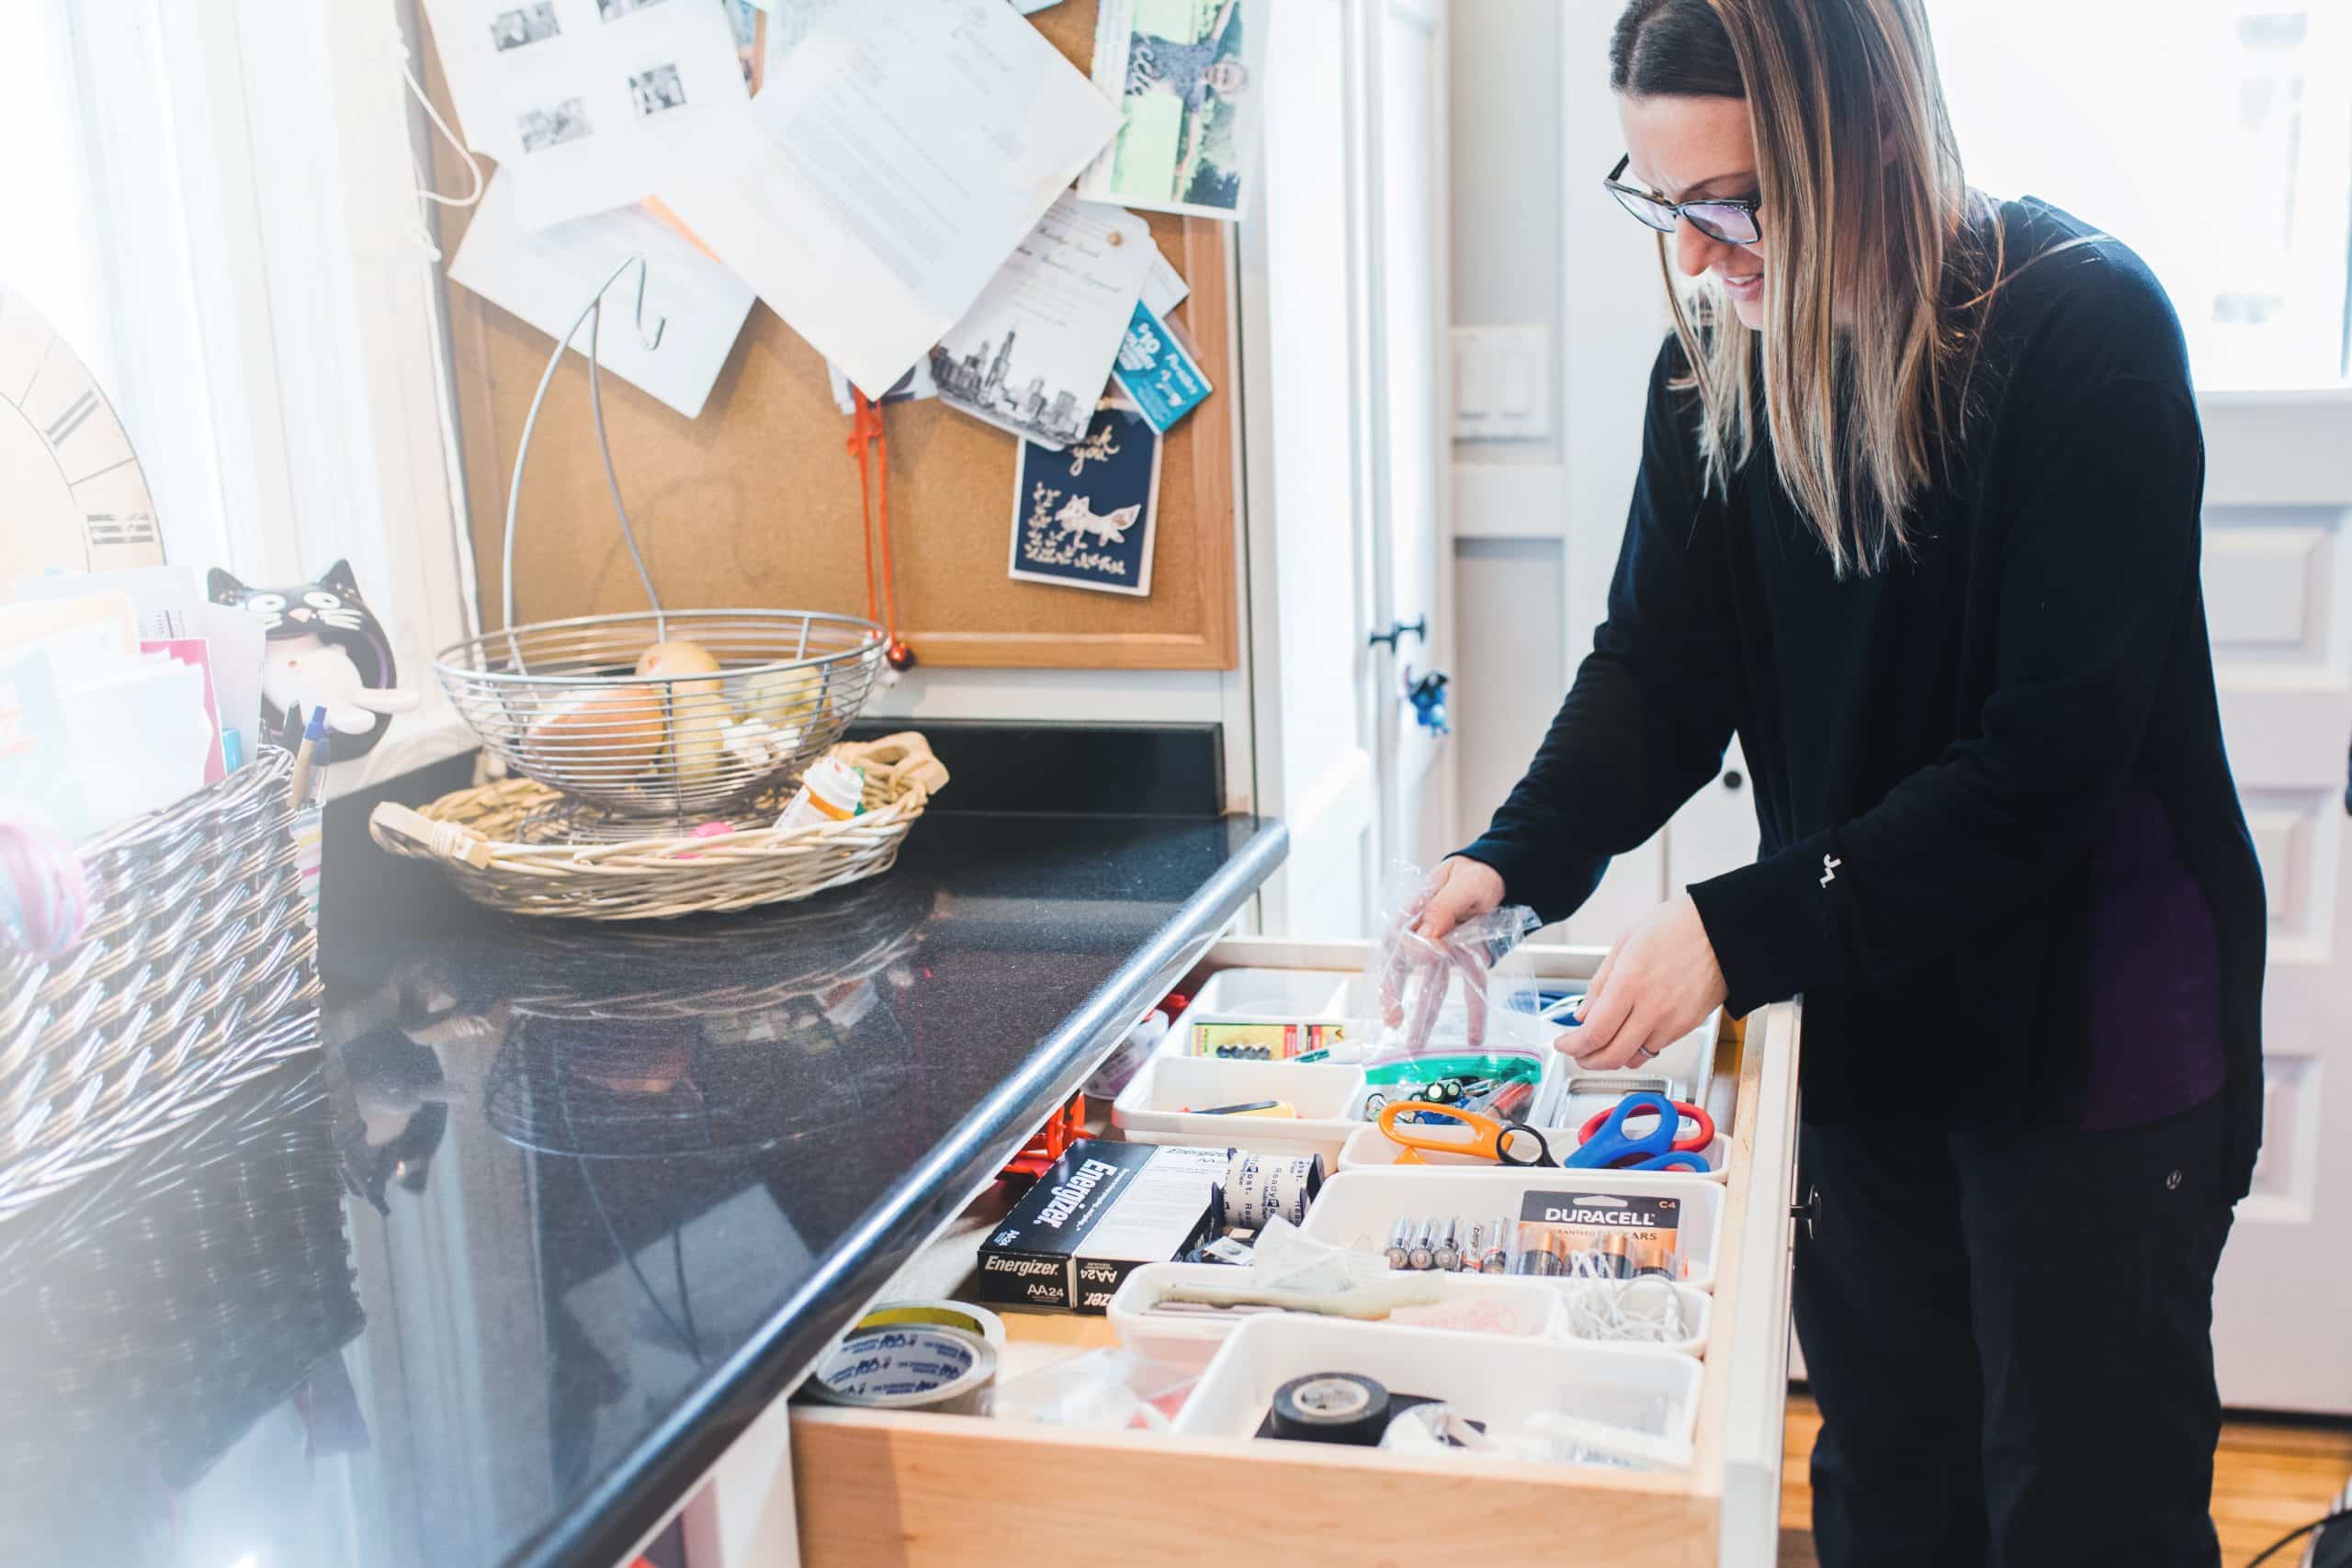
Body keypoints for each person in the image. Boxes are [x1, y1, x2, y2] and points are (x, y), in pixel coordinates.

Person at [1414, 2, 2266, 1562]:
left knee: (2087, 1502)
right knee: (1890, 1473)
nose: (1699, 259)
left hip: (2095, 1034)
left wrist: (1736, 931)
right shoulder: (1718, 366)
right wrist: (1515, 855)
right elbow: (1658, 675)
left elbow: (2041, 767)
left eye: (1731, 205)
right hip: (1878, 1006)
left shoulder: (2084, 337)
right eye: (1664, 208)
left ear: (1864, 145)